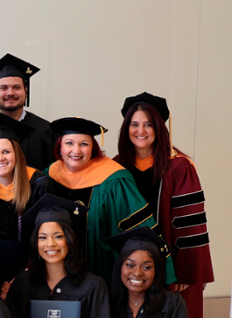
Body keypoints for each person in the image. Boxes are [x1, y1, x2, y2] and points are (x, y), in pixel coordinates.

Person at [115, 92, 213, 318]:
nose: (141, 131)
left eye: (148, 124)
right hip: (132, 264)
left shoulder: (179, 166)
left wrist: (183, 271)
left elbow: (190, 222)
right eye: (135, 124)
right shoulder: (117, 165)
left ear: (160, 127)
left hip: (173, 264)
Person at [45, 117, 174, 282]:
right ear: (60, 148)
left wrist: (161, 267)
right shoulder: (50, 175)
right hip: (56, 274)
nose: (76, 151)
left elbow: (138, 227)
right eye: (69, 143)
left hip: (100, 274)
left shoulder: (114, 180)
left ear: (93, 148)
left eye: (84, 144)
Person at [0, 111, 53, 243]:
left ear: (17, 153)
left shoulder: (39, 185)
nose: (0, 158)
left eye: (6, 152)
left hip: (33, 259)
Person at [0, 53, 57, 170]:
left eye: (16, 87)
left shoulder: (45, 130)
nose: (10, 93)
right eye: (4, 88)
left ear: (25, 91)